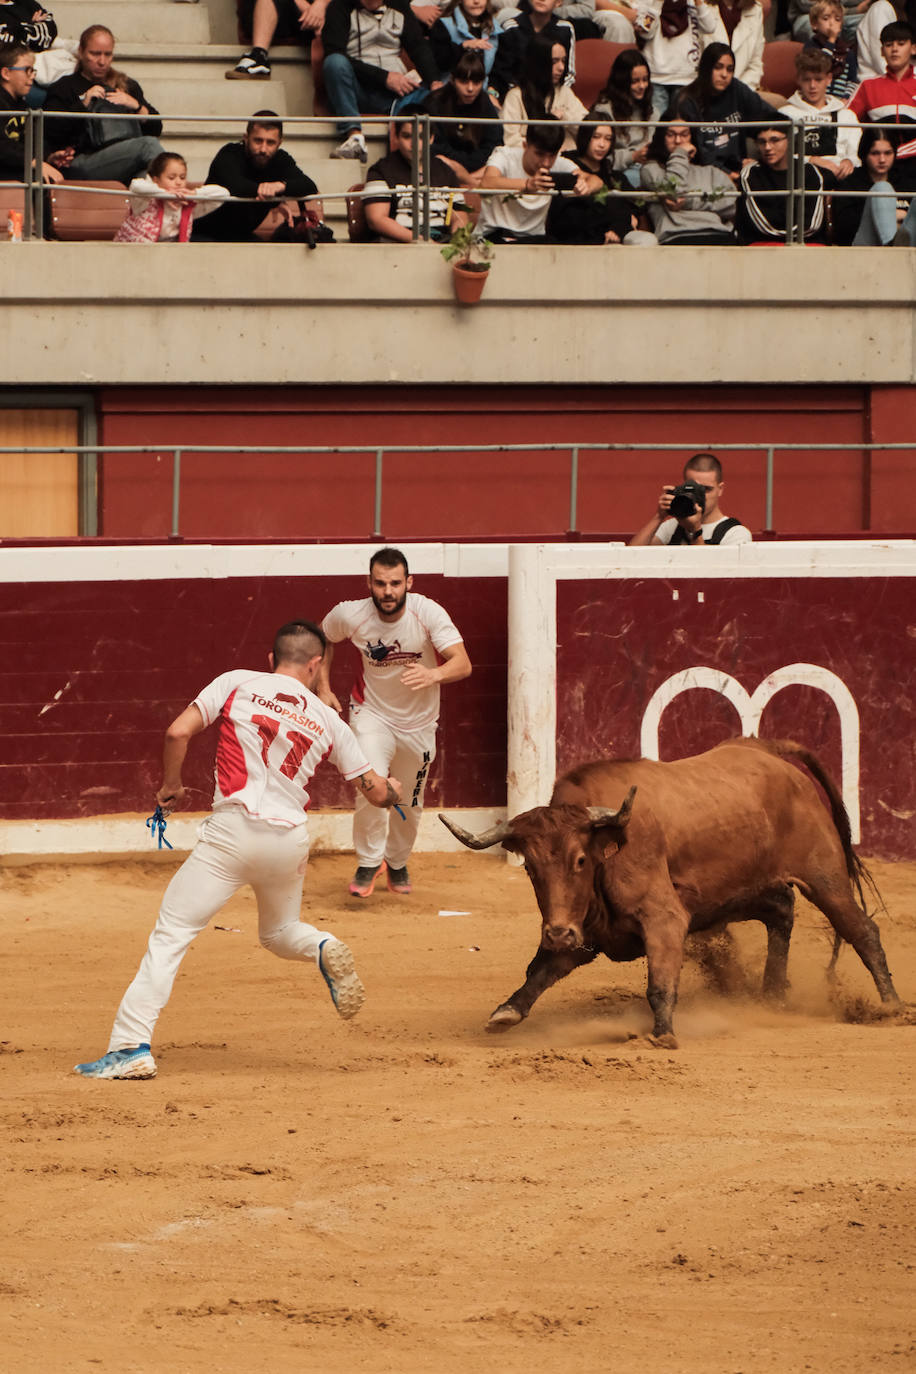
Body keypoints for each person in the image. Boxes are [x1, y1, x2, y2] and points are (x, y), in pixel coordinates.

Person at [73, 620, 403, 1081]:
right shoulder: (330, 720)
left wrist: (172, 784)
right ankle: (321, 944)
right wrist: (394, 791)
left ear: (271, 660)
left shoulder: (237, 682)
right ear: (315, 665)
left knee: (171, 935)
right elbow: (373, 791)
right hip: (289, 839)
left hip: (233, 830)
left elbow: (176, 733)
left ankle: (130, 1047)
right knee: (279, 931)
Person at [316, 547, 471, 899]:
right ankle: (369, 860)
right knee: (371, 787)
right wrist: (323, 687)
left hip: (419, 724)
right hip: (371, 714)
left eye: (395, 584)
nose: (388, 592)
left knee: (410, 802)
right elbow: (322, 638)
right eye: (381, 583)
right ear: (369, 583)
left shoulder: (427, 612)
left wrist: (433, 674)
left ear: (409, 583)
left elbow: (462, 663)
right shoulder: (350, 614)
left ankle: (397, 861)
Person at [321, 0, 442, 162]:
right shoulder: (339, 7)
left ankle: (429, 159)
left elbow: (418, 47)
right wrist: (384, 77)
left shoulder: (400, 6)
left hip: (397, 93)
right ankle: (354, 136)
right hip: (357, 90)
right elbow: (333, 51)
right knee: (334, 62)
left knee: (438, 96)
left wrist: (434, 81)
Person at [43, 24, 164, 184]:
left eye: (108, 55)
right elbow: (50, 131)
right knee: (149, 146)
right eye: (95, 54)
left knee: (145, 178)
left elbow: (156, 129)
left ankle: (168, 204)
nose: (102, 61)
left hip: (124, 156)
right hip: (82, 161)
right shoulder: (64, 87)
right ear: (81, 52)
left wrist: (136, 106)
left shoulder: (127, 85)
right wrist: (83, 105)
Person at [192, 111, 323, 241]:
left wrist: (280, 186)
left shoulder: (280, 159)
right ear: (246, 137)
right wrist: (266, 191)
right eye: (258, 141)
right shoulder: (230, 153)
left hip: (241, 236)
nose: (263, 149)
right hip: (204, 233)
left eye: (270, 143)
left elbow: (309, 186)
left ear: (279, 143)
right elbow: (234, 185)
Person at [674, 41, 782, 178]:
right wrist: (727, 174)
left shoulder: (736, 89)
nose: (724, 75)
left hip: (740, 169)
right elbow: (698, 153)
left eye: (729, 69)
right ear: (706, 68)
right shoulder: (686, 100)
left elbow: (771, 118)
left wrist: (759, 159)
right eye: (718, 68)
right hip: (702, 174)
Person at [478, 114, 589, 241]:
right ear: (525, 145)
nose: (546, 163)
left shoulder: (559, 163)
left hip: (534, 239)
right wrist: (527, 185)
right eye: (539, 154)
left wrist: (584, 184)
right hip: (494, 235)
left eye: (552, 155)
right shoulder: (504, 155)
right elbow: (486, 183)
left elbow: (595, 181)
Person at [363, 116, 465, 238]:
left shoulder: (445, 171)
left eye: (421, 137)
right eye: (407, 136)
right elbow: (376, 220)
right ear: (396, 137)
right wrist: (420, 241)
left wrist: (456, 241)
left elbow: (460, 216)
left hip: (442, 242)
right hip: (399, 244)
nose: (414, 144)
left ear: (431, 138)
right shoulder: (380, 170)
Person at [640, 115, 738, 242]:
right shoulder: (651, 169)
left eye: (684, 134)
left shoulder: (711, 172)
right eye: (670, 135)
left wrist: (689, 201)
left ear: (692, 137)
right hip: (677, 236)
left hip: (718, 233)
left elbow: (732, 205)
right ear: (661, 137)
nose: (678, 141)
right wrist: (680, 154)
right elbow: (674, 192)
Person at [557, 117, 658, 240]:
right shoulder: (568, 168)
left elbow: (637, 207)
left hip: (618, 239)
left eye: (608, 139)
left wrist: (621, 227)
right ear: (585, 136)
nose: (602, 144)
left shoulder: (614, 176)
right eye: (596, 137)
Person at [847, 21, 916, 190]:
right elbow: (847, 123)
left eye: (901, 44)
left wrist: (901, 152)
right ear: (881, 51)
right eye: (888, 44)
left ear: (913, 48)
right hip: (879, 166)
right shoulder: (868, 86)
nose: (894, 49)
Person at [628, 452, 752, 545]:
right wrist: (659, 516)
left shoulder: (736, 533)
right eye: (694, 490)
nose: (700, 496)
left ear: (720, 489)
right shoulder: (672, 527)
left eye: (706, 489)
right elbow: (631, 557)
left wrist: (696, 531)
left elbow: (712, 575)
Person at [735, 118, 829, 241]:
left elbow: (811, 224)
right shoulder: (750, 174)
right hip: (763, 248)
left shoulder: (810, 171)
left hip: (807, 247)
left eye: (775, 140)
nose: (767, 147)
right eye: (762, 142)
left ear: (790, 140)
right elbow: (763, 224)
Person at [779, 46, 861, 182]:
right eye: (807, 79)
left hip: (841, 179)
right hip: (801, 179)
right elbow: (779, 157)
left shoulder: (846, 115)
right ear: (798, 79)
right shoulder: (785, 114)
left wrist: (849, 161)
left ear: (829, 79)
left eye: (818, 79)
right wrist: (812, 159)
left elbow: (856, 154)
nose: (812, 86)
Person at [423, 50, 504, 185]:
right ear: (453, 80)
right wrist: (460, 167)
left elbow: (494, 144)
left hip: (479, 170)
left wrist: (467, 173)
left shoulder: (484, 101)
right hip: (443, 170)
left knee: (499, 160)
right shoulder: (434, 101)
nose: (470, 88)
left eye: (477, 82)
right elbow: (433, 145)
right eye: (464, 81)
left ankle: (470, 181)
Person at [113, 151, 229, 243]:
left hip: (167, 255)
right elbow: (135, 186)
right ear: (156, 180)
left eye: (182, 177)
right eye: (171, 178)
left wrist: (194, 194)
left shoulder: (187, 205)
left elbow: (223, 194)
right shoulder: (145, 201)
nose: (178, 182)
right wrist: (164, 195)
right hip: (133, 252)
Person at [501, 32, 586, 150]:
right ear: (538, 63)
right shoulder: (516, 96)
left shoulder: (565, 92)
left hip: (567, 160)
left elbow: (587, 130)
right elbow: (510, 140)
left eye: (563, 60)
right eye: (554, 61)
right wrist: (545, 147)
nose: (561, 67)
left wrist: (565, 118)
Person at [830, 124, 916, 239]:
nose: (882, 159)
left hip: (907, 246)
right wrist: (891, 217)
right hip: (866, 248)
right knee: (882, 188)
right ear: (864, 154)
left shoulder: (906, 182)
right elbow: (845, 228)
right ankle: (890, 243)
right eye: (875, 153)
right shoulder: (850, 184)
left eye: (888, 153)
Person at [633, 0, 718, 113]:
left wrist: (698, 3)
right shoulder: (648, 3)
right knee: (656, 127)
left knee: (683, 127)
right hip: (657, 79)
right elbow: (645, 31)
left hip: (686, 79)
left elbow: (710, 27)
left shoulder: (692, 4)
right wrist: (657, 4)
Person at [0, 39, 64, 181]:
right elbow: (3, 147)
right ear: (6, 73)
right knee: (43, 179)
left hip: (18, 166)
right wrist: (33, 161)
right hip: (6, 170)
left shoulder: (22, 105)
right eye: (27, 70)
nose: (32, 77)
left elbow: (35, 139)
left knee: (73, 173)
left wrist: (49, 156)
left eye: (33, 71)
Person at [591, 49, 656, 185]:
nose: (642, 86)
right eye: (635, 81)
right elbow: (601, 155)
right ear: (622, 82)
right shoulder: (604, 110)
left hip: (651, 168)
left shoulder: (651, 109)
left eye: (645, 80)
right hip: (622, 170)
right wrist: (633, 156)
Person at [490, 0, 576, 102]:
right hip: (517, 97)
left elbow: (569, 74)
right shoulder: (511, 27)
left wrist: (555, 98)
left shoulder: (565, 29)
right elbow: (503, 73)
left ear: (558, 2)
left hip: (555, 98)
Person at [228, 0, 328, 80]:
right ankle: (259, 56)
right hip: (271, 11)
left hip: (323, 15)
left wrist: (321, 4)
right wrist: (309, 10)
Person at [429, 0, 504, 82]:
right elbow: (440, 63)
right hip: (448, 88)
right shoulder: (444, 25)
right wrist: (463, 46)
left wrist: (492, 90)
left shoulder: (494, 28)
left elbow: (498, 70)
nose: (476, 1)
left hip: (483, 90)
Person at [804, 0, 858, 99]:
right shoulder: (810, 46)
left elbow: (852, 81)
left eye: (837, 19)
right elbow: (820, 67)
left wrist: (846, 98)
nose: (831, 23)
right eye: (826, 18)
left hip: (839, 102)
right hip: (816, 99)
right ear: (814, 24)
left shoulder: (847, 52)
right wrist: (831, 40)